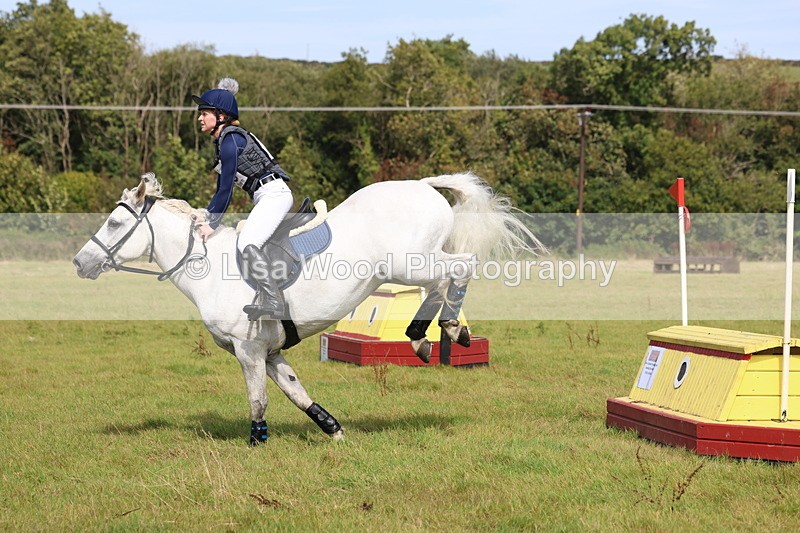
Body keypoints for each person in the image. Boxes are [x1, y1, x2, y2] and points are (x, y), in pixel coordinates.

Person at [192, 78, 293, 320]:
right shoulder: (225, 140)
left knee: (247, 243)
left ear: (221, 115)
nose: (199, 118)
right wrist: (207, 214)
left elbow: (227, 187)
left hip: (273, 194)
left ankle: (274, 301)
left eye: (204, 113)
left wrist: (213, 224)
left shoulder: (231, 141)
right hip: (266, 195)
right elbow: (220, 188)